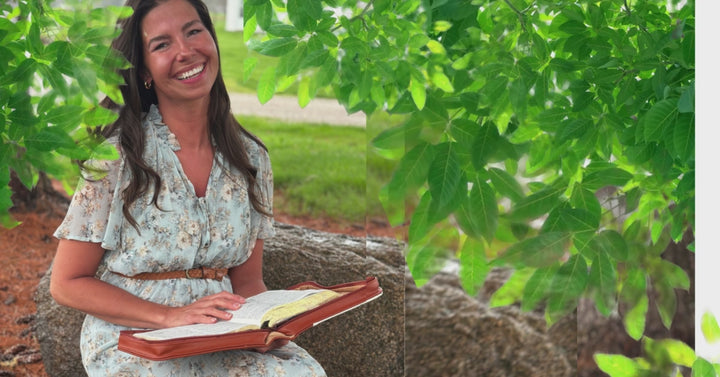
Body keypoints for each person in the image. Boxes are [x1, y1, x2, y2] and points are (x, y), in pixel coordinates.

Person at [49, 0, 326, 375]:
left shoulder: (252, 159)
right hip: (137, 337)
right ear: (144, 71)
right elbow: (66, 283)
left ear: (212, 40)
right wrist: (168, 316)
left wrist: (269, 325)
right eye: (161, 44)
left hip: (225, 333)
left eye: (194, 31)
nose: (185, 51)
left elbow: (247, 281)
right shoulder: (116, 160)